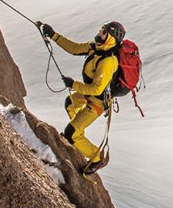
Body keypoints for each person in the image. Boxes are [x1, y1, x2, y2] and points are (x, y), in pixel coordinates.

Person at [36, 20, 126, 174]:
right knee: (70, 104)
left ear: (111, 38)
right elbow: (75, 48)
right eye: (100, 29)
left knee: (70, 134)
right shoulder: (96, 47)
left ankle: (97, 158)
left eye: (103, 32)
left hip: (98, 100)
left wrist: (74, 85)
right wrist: (53, 35)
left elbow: (97, 89)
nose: (99, 33)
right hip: (88, 93)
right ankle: (77, 131)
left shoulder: (109, 60)